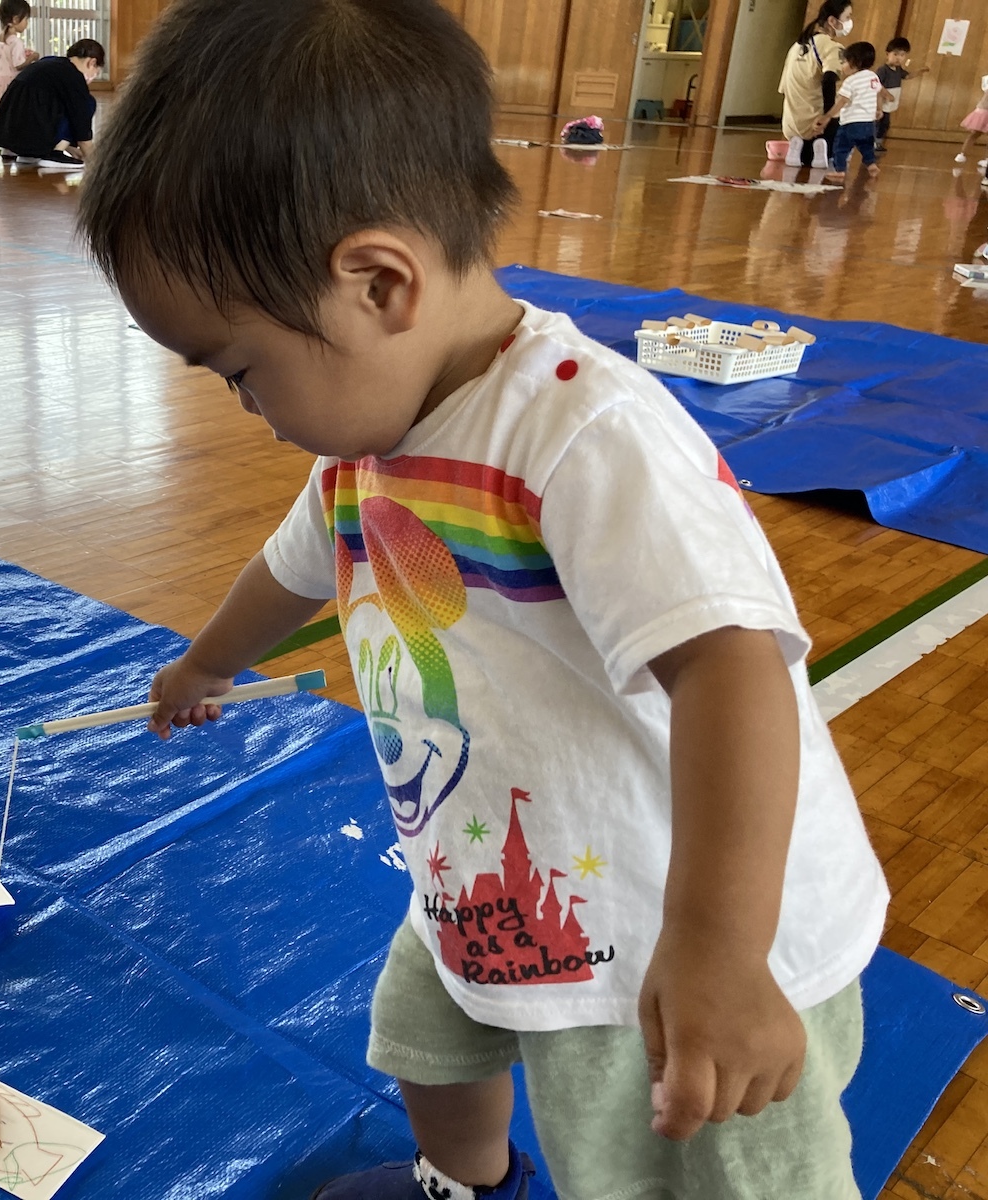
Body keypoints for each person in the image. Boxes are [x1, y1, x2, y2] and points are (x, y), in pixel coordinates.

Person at [78, 0, 887, 1196]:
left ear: (378, 283)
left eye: (241, 370)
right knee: (427, 1033)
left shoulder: (582, 435)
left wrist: (718, 951)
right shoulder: (369, 447)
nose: (246, 407)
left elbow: (732, 669)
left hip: (675, 919)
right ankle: (465, 1182)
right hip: (494, 866)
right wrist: (205, 663)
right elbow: (290, 567)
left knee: (686, 1162)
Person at [0, 39, 105, 169]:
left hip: (9, 135)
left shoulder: (49, 63)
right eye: (96, 72)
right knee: (88, 102)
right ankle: (55, 153)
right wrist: (96, 161)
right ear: (91, 62)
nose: (93, 77)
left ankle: (25, 153)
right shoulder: (73, 76)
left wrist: (71, 149)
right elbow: (81, 121)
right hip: (34, 129)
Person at [779, 1, 852, 169]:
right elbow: (829, 80)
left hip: (790, 127)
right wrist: (827, 118)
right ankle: (822, 148)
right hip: (816, 128)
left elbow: (784, 89)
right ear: (833, 21)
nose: (849, 22)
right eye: (847, 17)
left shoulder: (796, 46)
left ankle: (797, 147)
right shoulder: (832, 47)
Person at [815, 41, 887, 182]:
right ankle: (871, 164)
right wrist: (879, 109)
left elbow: (842, 101)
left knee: (841, 147)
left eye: (845, 62)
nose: (842, 66)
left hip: (851, 123)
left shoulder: (851, 81)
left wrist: (828, 116)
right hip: (868, 123)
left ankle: (840, 171)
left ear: (855, 62)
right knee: (866, 145)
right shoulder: (873, 77)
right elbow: (878, 93)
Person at [0, 0, 36, 127]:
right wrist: (33, 57)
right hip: (12, 81)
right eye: (26, 19)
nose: (27, 23)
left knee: (0, 110)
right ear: (15, 19)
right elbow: (18, 65)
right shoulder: (16, 41)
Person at [875, 37, 926, 149]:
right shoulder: (883, 70)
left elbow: (907, 76)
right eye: (896, 54)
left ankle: (877, 142)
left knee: (884, 124)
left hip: (889, 101)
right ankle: (875, 142)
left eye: (902, 55)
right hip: (881, 101)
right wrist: (886, 95)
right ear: (888, 54)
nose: (899, 58)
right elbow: (876, 85)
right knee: (880, 123)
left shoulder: (898, 69)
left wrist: (920, 72)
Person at [955, 77, 988, 168]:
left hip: (981, 110)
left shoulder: (986, 79)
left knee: (974, 134)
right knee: (974, 134)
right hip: (984, 110)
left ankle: (962, 154)